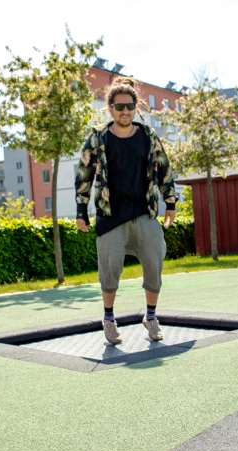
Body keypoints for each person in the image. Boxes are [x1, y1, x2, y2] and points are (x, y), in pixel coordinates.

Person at [75, 77, 177, 345]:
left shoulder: (147, 136)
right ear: (110, 108)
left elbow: (164, 167)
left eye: (129, 106)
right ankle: (109, 319)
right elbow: (84, 175)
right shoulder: (98, 139)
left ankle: (151, 317)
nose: (125, 111)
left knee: (154, 261)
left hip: (144, 214)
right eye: (119, 106)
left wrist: (171, 202)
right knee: (109, 272)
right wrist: (81, 210)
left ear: (135, 107)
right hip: (111, 218)